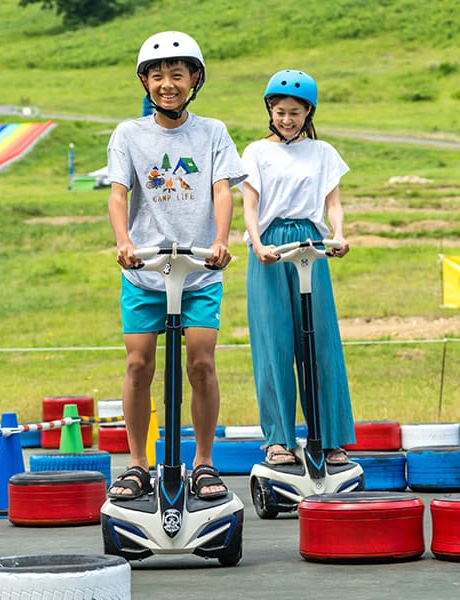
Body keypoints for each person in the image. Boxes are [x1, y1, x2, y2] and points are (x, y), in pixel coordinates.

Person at [106, 31, 246, 501]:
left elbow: (222, 190)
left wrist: (221, 241)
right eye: (158, 75)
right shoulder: (129, 134)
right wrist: (124, 241)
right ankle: (137, 464)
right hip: (145, 271)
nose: (168, 84)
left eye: (177, 75)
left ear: (194, 80)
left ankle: (204, 462)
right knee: (137, 364)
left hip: (199, 270)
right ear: (145, 82)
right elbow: (118, 194)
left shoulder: (213, 133)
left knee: (202, 363)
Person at [241, 69, 355, 466]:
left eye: (295, 112)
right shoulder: (256, 152)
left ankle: (330, 437)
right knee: (274, 342)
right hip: (271, 245)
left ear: (309, 112)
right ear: (269, 110)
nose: (286, 119)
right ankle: (278, 439)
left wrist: (338, 234)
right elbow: (250, 205)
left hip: (310, 241)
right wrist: (256, 244)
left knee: (320, 342)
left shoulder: (323, 153)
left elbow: (333, 202)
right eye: (279, 111)